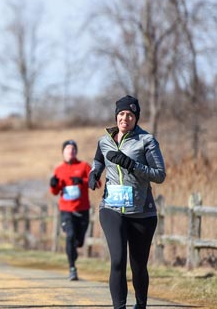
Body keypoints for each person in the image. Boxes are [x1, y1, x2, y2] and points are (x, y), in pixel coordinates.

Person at [88, 95, 166, 309]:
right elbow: (97, 163)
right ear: (116, 116)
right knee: (118, 260)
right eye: (122, 114)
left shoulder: (146, 140)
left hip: (142, 212)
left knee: (139, 266)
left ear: (136, 118)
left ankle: (140, 305)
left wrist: (131, 164)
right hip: (111, 208)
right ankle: (119, 307)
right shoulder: (104, 141)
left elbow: (159, 175)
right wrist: (93, 175)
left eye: (130, 115)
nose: (125, 118)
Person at [49, 139, 96, 281]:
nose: (71, 151)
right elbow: (55, 192)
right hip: (66, 210)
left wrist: (82, 181)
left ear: (76, 152)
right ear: (63, 152)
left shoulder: (84, 166)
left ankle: (74, 250)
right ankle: (72, 268)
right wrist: (53, 185)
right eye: (68, 149)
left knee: (78, 241)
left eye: (73, 149)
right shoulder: (58, 169)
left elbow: (97, 183)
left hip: (82, 210)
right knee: (70, 236)